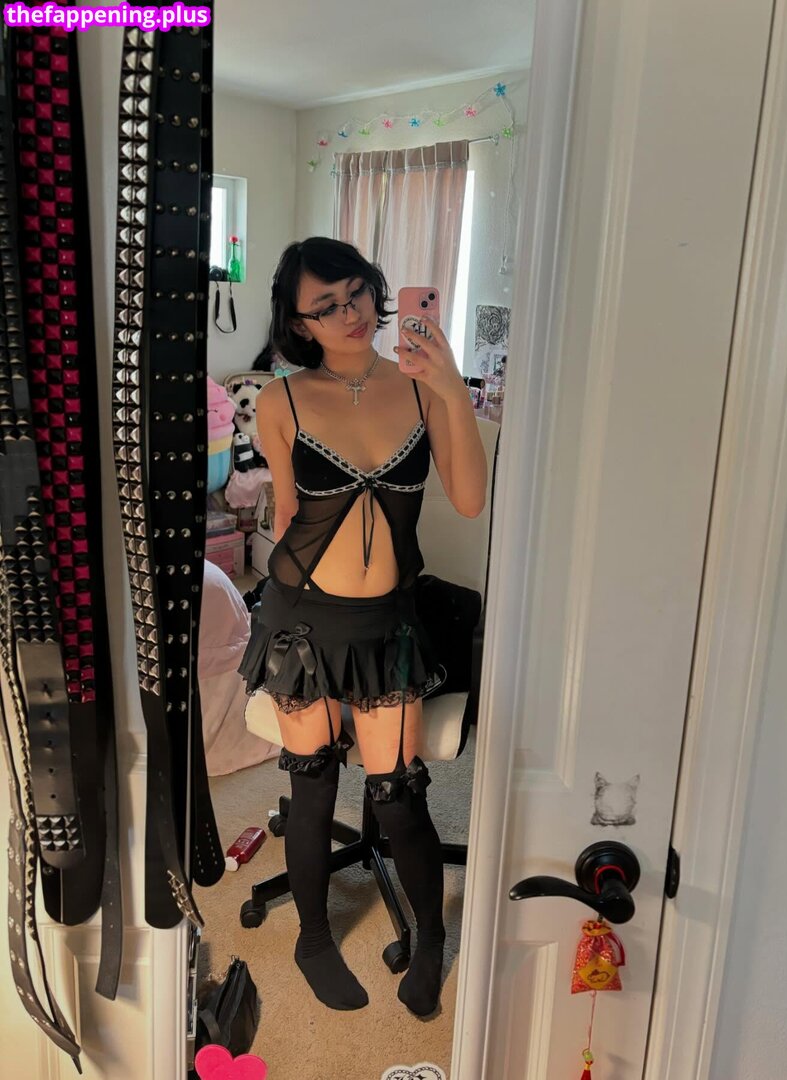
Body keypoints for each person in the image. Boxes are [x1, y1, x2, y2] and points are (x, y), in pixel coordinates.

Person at [238, 237, 487, 1017]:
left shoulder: (421, 389)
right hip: (301, 617)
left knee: (399, 793)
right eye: (326, 306)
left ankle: (431, 938)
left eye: (357, 293)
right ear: (299, 323)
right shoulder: (281, 401)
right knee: (312, 788)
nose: (350, 313)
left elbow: (470, 500)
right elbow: (286, 512)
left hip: (388, 622)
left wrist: (451, 389)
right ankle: (313, 938)